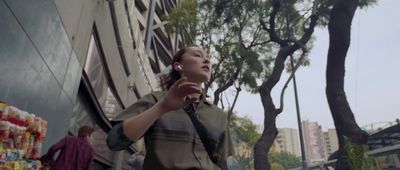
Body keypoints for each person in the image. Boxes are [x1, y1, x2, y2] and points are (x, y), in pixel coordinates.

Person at [107, 45, 233, 170]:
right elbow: (114, 140)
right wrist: (162, 107)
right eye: (197, 55)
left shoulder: (219, 116)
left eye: (208, 58)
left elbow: (222, 164)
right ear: (178, 66)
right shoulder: (155, 100)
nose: (207, 60)